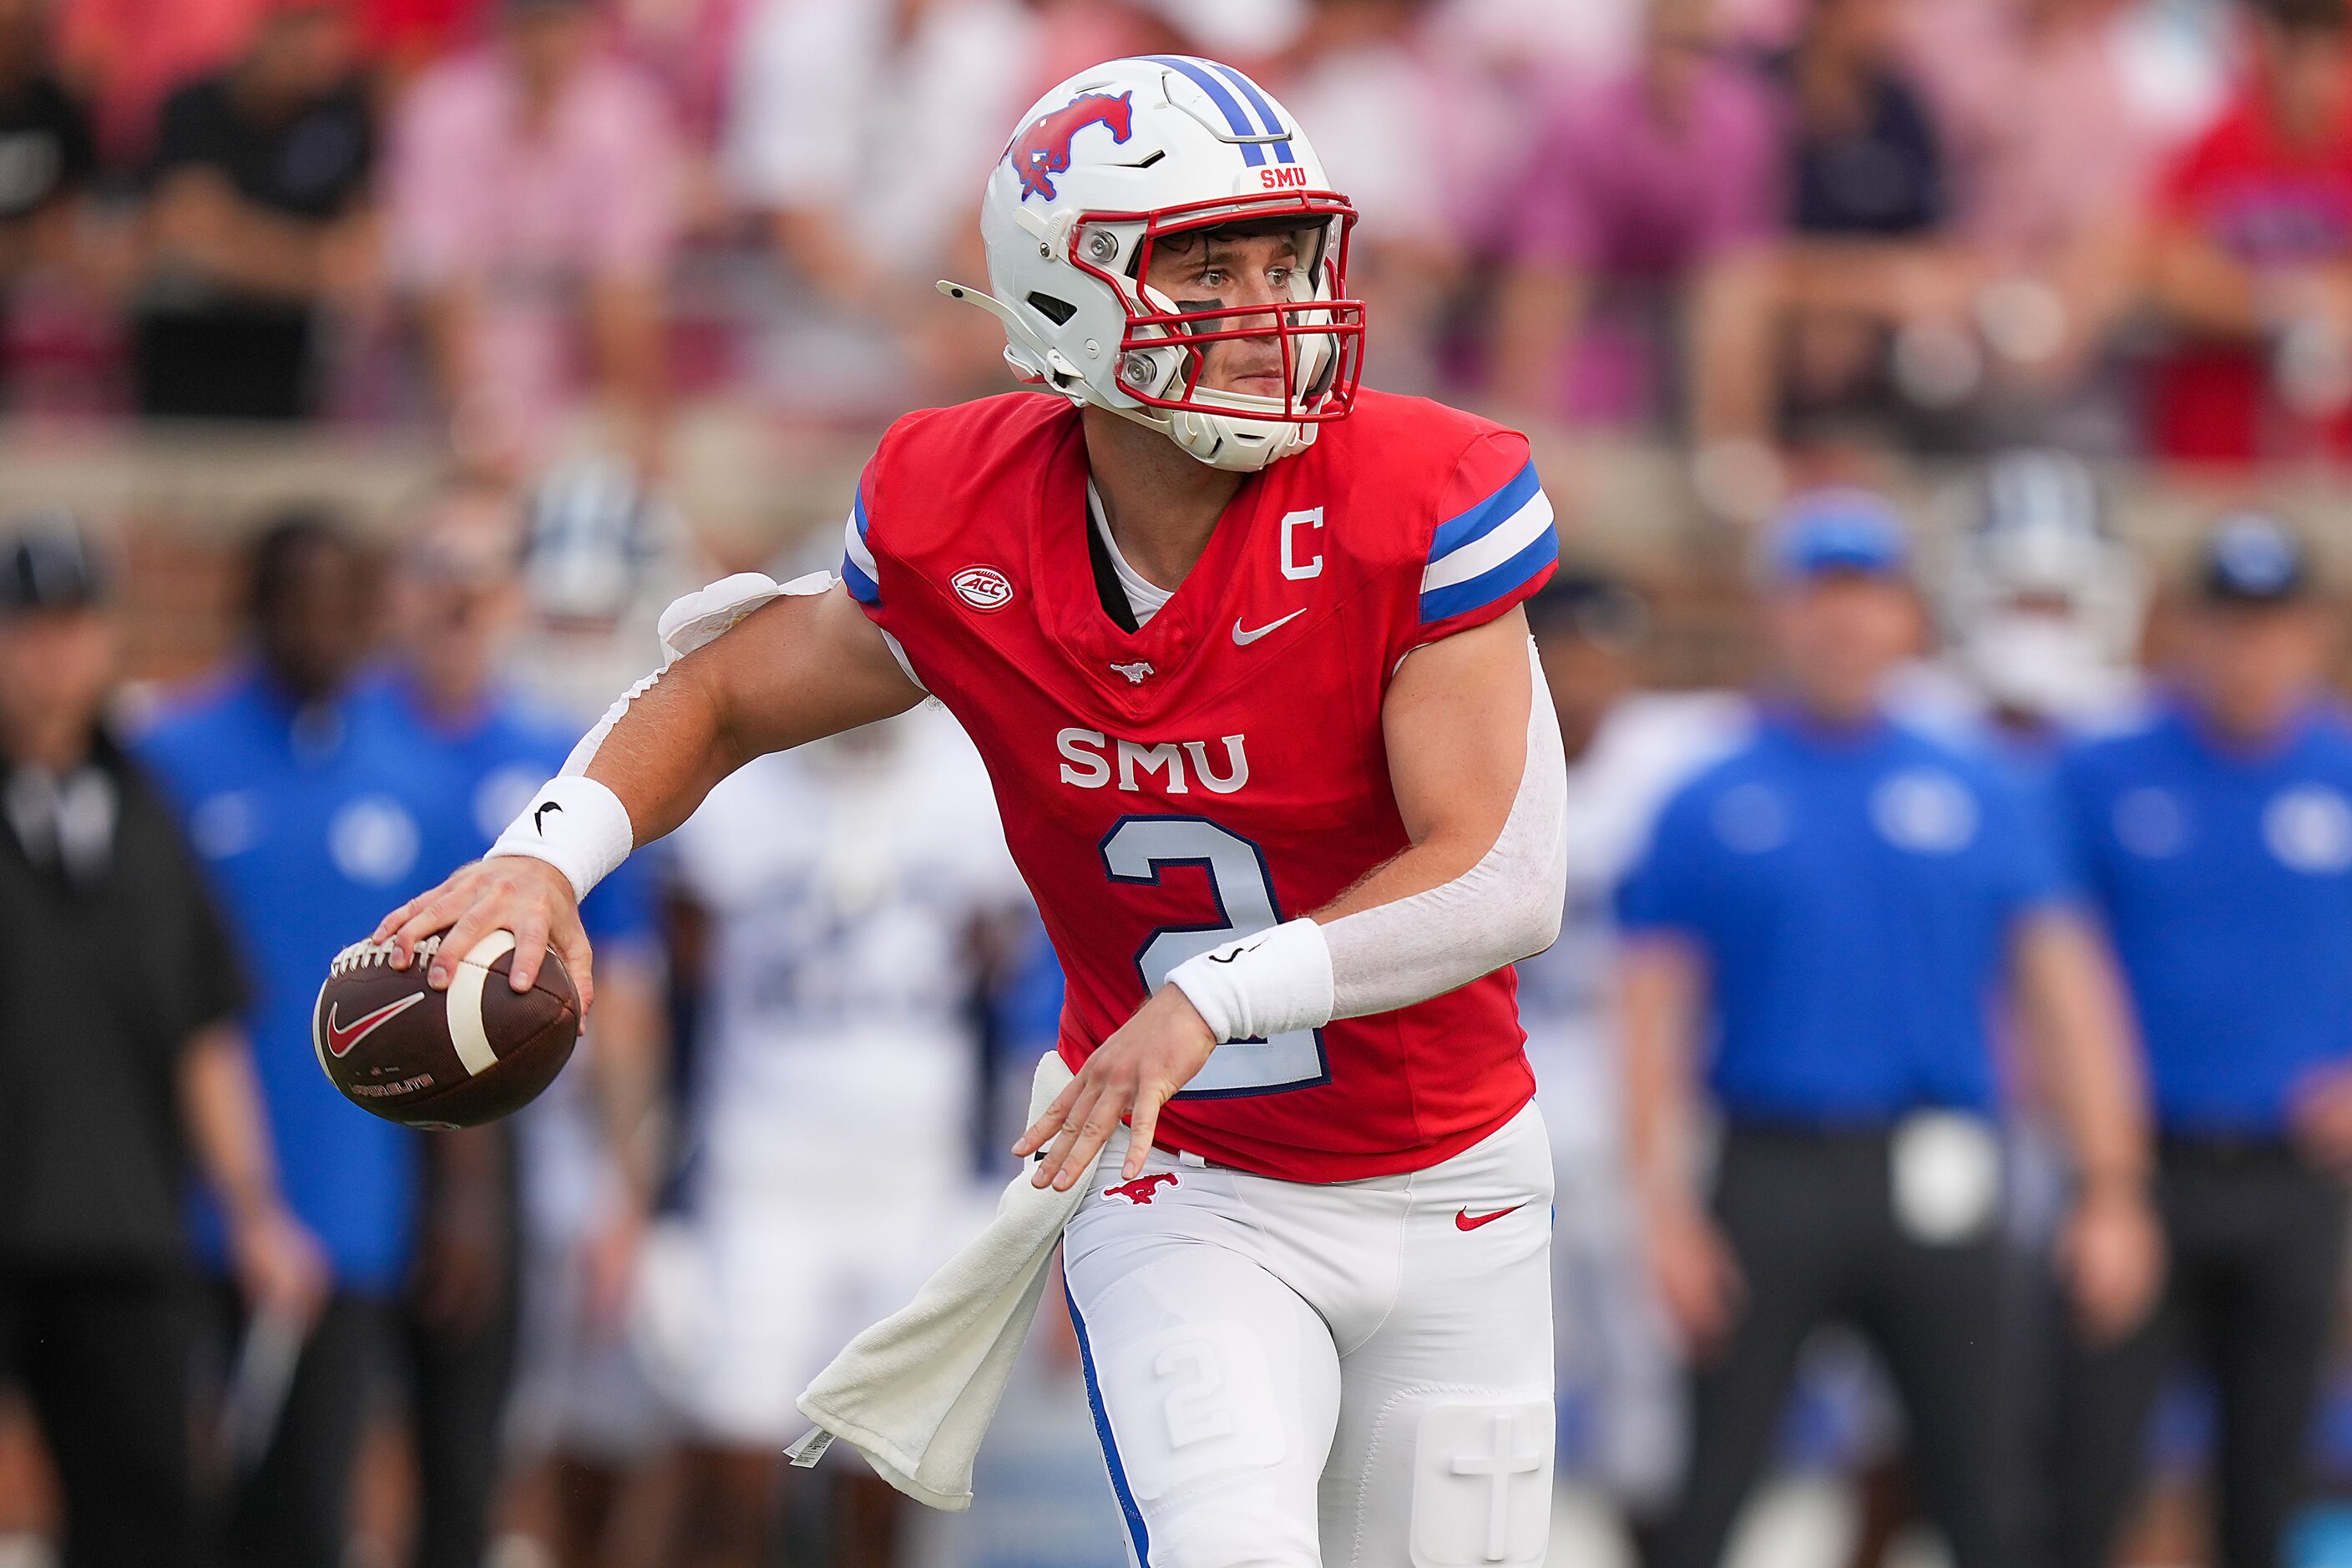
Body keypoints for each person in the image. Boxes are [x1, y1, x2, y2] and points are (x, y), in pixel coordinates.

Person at [374, 53, 1573, 1568]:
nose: (1276, 306)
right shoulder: (964, 512)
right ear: (1065, 298)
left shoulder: (1419, 489)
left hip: (1453, 1179)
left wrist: (1207, 994)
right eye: (1210, 264)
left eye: (1289, 254)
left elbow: (1503, 873)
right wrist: (545, 854)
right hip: (1181, 1174)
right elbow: (729, 688)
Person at [1617, 490, 2162, 1568]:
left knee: (1982, 1483)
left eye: (1867, 598)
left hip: (1939, 1167)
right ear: (1775, 612)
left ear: (1909, 617)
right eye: (1819, 597)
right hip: (1769, 1165)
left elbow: (2066, 993)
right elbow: (1650, 1011)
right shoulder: (1710, 793)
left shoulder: (1979, 786)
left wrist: (2112, 1185)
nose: (1844, 625)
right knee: (1713, 1479)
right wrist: (1662, 1208)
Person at [134, 514, 468, 1568]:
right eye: (301, 598)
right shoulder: (168, 759)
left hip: (346, 1209)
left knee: (308, 1514)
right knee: (162, 1505)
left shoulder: (415, 776)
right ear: (256, 607)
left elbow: (458, 1018)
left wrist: (461, 1194)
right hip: (170, 1207)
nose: (323, 624)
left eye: (344, 601)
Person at [0, 514, 325, 1568]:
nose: (50, 655)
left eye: (71, 626)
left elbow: (204, 1029)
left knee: (146, 1512)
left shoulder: (148, 810)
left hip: (124, 1230)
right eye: (24, 628)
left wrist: (255, 1209)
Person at [637, 704, 1028, 1568]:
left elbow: (1005, 998)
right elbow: (682, 1008)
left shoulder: (968, 781)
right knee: (731, 1453)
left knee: (886, 1468)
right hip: (759, 1171)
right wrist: (661, 1198)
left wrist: (993, 1180)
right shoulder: (736, 795)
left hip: (916, 1174)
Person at [367, 488, 670, 1568]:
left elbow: (625, 981)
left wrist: (627, 1182)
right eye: (436, 569)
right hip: (352, 1125)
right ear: (398, 587)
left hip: (524, 1128)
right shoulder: (344, 727)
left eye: (480, 573)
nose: (457, 598)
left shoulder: (561, 761)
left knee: (511, 1414)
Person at [2043, 513, 2352, 1568]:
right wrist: (2096, 1164)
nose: (2249, 651)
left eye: (2272, 625)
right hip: (2142, 1166)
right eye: (2227, 623)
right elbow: (2045, 963)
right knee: (2090, 1463)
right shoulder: (2105, 771)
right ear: (2185, 629)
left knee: (2269, 1473)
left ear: (2311, 633)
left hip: (2293, 1169)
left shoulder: (2339, 768)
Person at [1514, 572, 1742, 1528]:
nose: (1584, 676)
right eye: (1564, 652)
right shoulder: (1470, 743)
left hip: (1639, 1073)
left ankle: (1660, 1530)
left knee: (1652, 1341)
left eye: (1603, 654)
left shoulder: (1680, 759)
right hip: (1511, 1076)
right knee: (1521, 1338)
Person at [387, 0, 682, 477]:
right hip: (438, 401)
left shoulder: (629, 114)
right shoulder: (440, 110)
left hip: (580, 398)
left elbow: (625, 290)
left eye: (562, 20)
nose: (548, 40)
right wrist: (478, 426)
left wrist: (639, 436)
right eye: (535, 21)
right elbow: (439, 283)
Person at [1488, 0, 1782, 454]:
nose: (1690, 65)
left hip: (1688, 308)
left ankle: (1733, 458)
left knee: (1740, 286)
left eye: (1707, 50)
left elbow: (1736, 261)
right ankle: (1521, 444)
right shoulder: (1584, 121)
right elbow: (1546, 266)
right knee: (1547, 282)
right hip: (1594, 305)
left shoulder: (1743, 123)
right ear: (1645, 42)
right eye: (1677, 44)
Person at [133, 0, 377, 422]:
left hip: (295, 375)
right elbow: (184, 234)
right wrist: (310, 256)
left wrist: (233, 237)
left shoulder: (345, 115)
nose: (317, 46)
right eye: (301, 28)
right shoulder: (194, 106)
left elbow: (354, 265)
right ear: (262, 31)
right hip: (184, 362)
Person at [2139, 0, 2352, 466]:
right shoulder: (2216, 143)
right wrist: (2291, 301)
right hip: (2211, 440)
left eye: (2330, 57)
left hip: (2329, 453)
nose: (2315, 81)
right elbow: (2165, 271)